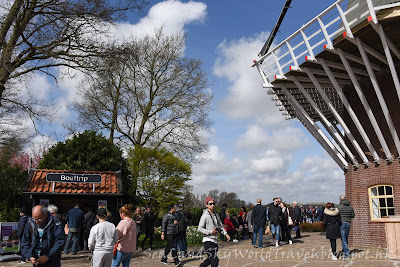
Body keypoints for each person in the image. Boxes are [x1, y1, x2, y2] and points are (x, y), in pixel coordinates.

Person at [198, 196, 230, 267]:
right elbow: (199, 228)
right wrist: (210, 232)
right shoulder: (205, 216)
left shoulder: (216, 215)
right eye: (210, 204)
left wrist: (226, 234)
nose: (212, 205)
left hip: (214, 241)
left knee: (211, 259)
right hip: (207, 240)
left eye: (213, 203)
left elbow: (220, 226)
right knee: (214, 262)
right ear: (206, 205)